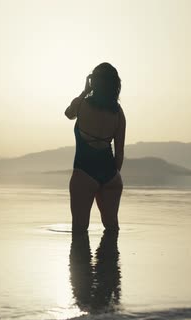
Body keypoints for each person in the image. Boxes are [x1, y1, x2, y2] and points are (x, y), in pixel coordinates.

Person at [65, 63, 126, 233]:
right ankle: (112, 259)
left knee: (79, 230)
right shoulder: (119, 113)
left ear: (93, 82)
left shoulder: (82, 104)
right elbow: (119, 153)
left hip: (84, 173)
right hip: (111, 176)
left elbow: (68, 113)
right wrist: (111, 177)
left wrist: (85, 91)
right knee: (112, 229)